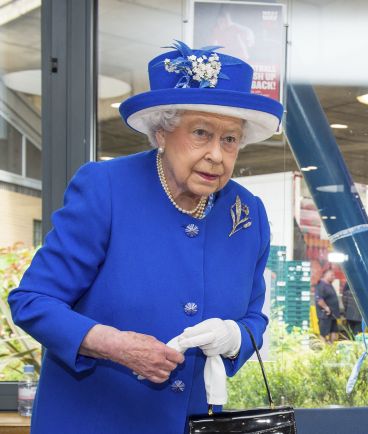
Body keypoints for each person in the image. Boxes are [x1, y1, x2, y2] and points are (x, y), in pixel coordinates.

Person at [7, 41, 283, 433]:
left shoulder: (248, 212)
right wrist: (115, 345)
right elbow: (32, 301)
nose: (217, 156)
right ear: (161, 133)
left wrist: (234, 335)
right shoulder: (106, 188)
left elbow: (254, 317)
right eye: (201, 133)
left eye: (230, 139)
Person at [315, 269, 340, 343]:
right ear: (325, 275)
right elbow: (319, 299)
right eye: (331, 275)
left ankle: (331, 349)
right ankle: (324, 350)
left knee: (334, 332)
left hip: (332, 316)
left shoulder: (329, 285)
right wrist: (326, 308)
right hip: (325, 316)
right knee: (324, 334)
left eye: (334, 275)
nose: (334, 277)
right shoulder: (321, 285)